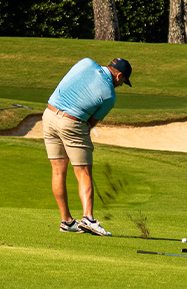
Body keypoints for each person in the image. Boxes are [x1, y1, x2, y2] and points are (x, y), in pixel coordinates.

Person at [42, 57, 132, 236]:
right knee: (83, 172)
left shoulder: (86, 62)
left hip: (48, 116)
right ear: (119, 75)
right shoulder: (110, 95)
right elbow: (90, 123)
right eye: (123, 81)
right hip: (72, 123)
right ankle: (88, 218)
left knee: (58, 171)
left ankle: (67, 221)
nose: (121, 85)